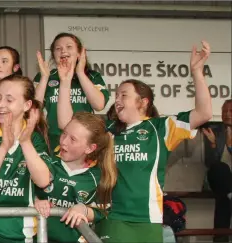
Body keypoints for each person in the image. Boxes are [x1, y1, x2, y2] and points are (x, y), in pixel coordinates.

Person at [94, 41, 212, 242]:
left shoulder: (160, 128)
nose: (118, 100)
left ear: (143, 102)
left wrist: (197, 73)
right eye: (116, 96)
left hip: (148, 219)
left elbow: (204, 113)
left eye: (124, 95)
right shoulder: (108, 131)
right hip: (111, 216)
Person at [0, 74, 51, 243]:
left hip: (21, 232)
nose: (0, 105)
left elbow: (43, 181)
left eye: (9, 100)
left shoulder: (34, 139)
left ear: (27, 105)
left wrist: (25, 142)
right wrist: (3, 147)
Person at [34, 112, 117, 243]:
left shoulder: (99, 176)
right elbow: (22, 188)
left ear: (90, 148)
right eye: (64, 133)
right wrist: (35, 200)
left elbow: (102, 212)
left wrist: (83, 210)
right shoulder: (46, 160)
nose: (64, 141)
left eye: (73, 139)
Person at [34, 32, 109, 153]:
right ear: (53, 55)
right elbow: (34, 108)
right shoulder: (46, 76)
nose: (63, 51)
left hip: (83, 141)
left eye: (69, 47)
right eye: (58, 49)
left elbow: (99, 105)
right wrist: (44, 77)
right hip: (52, 141)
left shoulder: (92, 76)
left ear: (79, 53)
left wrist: (80, 72)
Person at [201, 99, 232, 242]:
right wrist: (213, 144)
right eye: (224, 111)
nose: (227, 114)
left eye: (231, 111)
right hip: (217, 177)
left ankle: (220, 238)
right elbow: (210, 163)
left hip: (225, 188)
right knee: (221, 168)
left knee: (223, 199)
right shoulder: (214, 131)